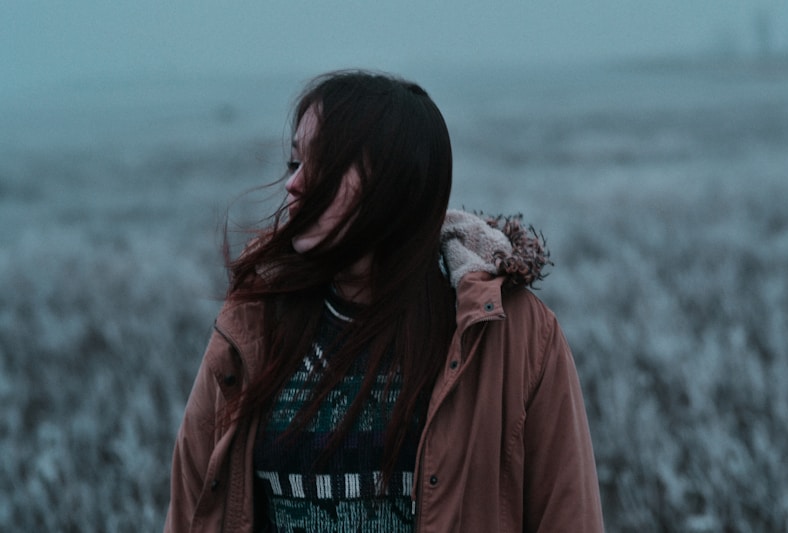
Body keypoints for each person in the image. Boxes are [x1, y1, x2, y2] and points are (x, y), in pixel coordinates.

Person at [164, 70, 604, 533]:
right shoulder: (251, 326)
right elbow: (193, 510)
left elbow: (568, 515)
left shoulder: (509, 334)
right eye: (293, 163)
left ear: (391, 183)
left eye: (321, 164)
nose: (293, 185)